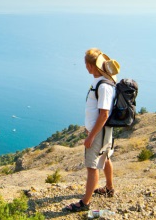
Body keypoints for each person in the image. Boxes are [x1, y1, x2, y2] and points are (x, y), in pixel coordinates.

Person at [64, 48, 120, 212]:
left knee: (92, 167)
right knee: (106, 158)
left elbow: (103, 115)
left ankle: (85, 203)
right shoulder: (103, 82)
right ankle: (109, 188)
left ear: (90, 65)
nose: (85, 67)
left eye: (86, 64)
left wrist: (91, 136)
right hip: (103, 131)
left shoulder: (103, 86)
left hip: (99, 132)